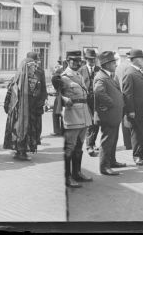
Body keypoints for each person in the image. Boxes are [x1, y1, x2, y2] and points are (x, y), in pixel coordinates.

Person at [60, 50, 93, 188]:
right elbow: (56, 95)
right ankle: (67, 178)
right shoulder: (63, 76)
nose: (77, 63)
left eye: (79, 60)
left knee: (79, 147)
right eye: (73, 60)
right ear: (68, 61)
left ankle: (77, 173)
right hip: (72, 115)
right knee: (69, 148)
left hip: (84, 115)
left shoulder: (79, 75)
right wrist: (63, 99)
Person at [3, 56, 44, 160]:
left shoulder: (22, 79)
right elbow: (9, 94)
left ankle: (21, 151)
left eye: (35, 67)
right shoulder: (19, 79)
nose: (34, 69)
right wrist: (8, 106)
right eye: (33, 67)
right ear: (27, 68)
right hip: (20, 112)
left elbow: (38, 95)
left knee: (23, 129)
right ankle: (20, 152)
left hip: (27, 111)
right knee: (19, 129)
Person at [94, 51, 126, 176]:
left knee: (113, 139)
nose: (115, 65)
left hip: (114, 115)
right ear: (106, 64)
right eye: (113, 63)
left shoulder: (109, 75)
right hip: (108, 115)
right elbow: (99, 93)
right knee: (107, 141)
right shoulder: (101, 77)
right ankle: (104, 166)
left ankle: (112, 161)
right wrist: (112, 103)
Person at [122, 49, 143, 166]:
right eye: (141, 59)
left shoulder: (137, 71)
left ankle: (141, 153)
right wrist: (130, 110)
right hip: (135, 110)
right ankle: (136, 156)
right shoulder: (130, 73)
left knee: (142, 131)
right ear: (135, 60)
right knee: (136, 132)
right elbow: (127, 94)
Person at [78, 49, 100, 156]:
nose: (92, 61)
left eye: (93, 59)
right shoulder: (81, 70)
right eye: (89, 59)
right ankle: (89, 146)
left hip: (97, 100)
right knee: (90, 122)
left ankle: (93, 142)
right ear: (86, 59)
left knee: (96, 122)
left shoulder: (99, 70)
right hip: (85, 100)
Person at [115, 52, 132, 150]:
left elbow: (116, 82)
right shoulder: (131, 68)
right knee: (131, 119)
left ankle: (127, 143)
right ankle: (132, 143)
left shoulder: (119, 67)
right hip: (129, 96)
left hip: (120, 96)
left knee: (124, 119)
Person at [50, 58, 64, 136]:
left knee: (56, 114)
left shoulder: (57, 76)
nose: (58, 66)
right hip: (60, 95)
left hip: (60, 96)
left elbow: (54, 79)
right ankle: (60, 130)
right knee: (60, 113)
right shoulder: (59, 75)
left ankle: (58, 131)